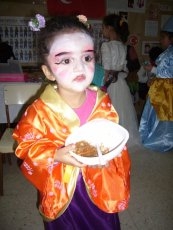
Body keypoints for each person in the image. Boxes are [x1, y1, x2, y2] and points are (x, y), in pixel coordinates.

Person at [12, 15, 131, 230]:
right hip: (63, 187)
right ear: (48, 71)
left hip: (99, 181)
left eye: (87, 58)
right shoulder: (39, 111)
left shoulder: (102, 101)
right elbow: (25, 146)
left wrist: (110, 155)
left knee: (103, 223)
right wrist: (55, 154)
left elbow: (112, 135)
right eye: (66, 60)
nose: (80, 68)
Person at [101, 13, 140, 147]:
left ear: (110, 28)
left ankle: (110, 141)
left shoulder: (106, 46)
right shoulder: (123, 46)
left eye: (104, 27)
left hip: (110, 83)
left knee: (110, 111)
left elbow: (106, 69)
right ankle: (124, 139)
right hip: (121, 84)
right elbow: (124, 68)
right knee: (123, 112)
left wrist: (102, 85)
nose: (102, 30)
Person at [139, 16, 173, 152]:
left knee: (162, 114)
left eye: (163, 37)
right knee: (157, 114)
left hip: (165, 91)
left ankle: (162, 140)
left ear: (171, 39)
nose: (161, 40)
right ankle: (157, 136)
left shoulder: (170, 54)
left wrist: (151, 69)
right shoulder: (167, 52)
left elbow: (166, 72)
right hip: (161, 88)